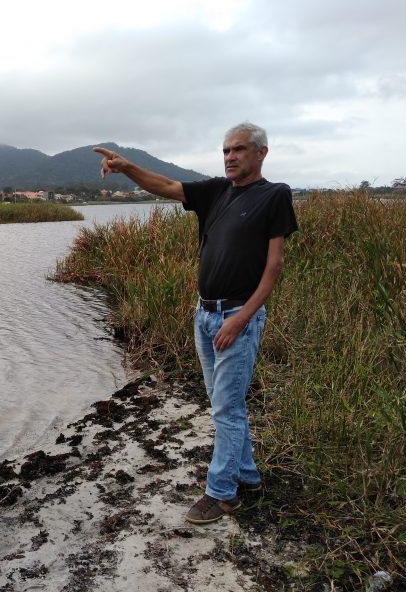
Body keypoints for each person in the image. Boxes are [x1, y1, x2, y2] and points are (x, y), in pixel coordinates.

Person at [94, 122, 298, 524]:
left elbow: (273, 266)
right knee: (223, 403)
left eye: (239, 149)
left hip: (237, 317)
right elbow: (166, 186)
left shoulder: (274, 195)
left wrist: (242, 318)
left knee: (226, 407)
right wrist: (127, 167)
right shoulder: (216, 191)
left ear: (261, 153)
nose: (230, 157)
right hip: (204, 315)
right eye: (226, 151)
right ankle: (247, 475)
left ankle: (221, 494)